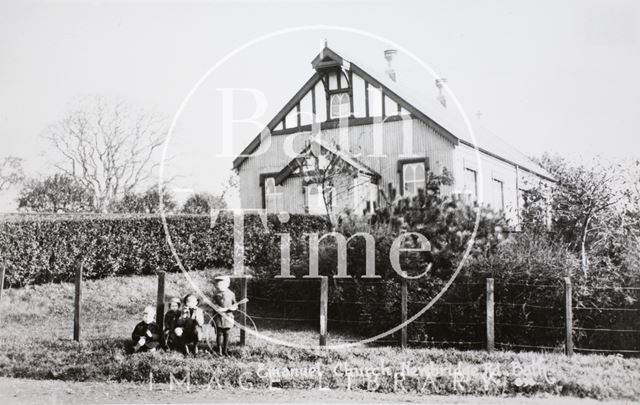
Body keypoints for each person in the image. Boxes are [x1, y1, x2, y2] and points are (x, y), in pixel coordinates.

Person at [212, 275, 238, 356]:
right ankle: (219, 350)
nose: (219, 287)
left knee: (226, 334)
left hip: (228, 318)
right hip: (218, 318)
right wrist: (216, 308)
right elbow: (212, 305)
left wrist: (227, 309)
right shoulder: (215, 295)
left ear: (227, 284)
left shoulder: (231, 294)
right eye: (217, 285)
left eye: (222, 285)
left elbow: (235, 306)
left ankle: (225, 350)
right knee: (219, 334)